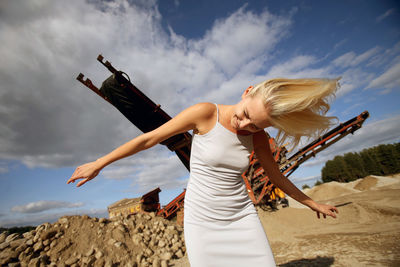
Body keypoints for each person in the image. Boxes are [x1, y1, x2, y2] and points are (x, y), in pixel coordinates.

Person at [67, 78, 340, 266]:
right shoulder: (205, 113)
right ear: (247, 91)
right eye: (245, 114)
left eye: (255, 126)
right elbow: (148, 139)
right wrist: (99, 163)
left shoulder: (257, 137)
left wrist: (311, 203)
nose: (243, 124)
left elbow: (276, 177)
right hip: (203, 221)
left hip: (241, 217)